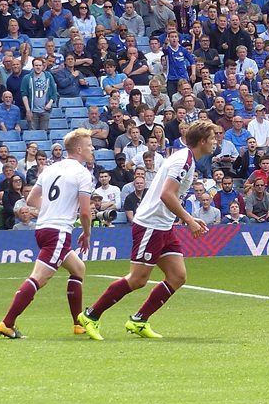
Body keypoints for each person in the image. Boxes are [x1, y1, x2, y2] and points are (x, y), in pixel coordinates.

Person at [77, 119, 216, 340]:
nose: (215, 142)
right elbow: (166, 194)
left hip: (163, 225)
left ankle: (139, 320)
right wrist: (189, 220)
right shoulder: (183, 162)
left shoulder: (186, 159)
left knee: (177, 276)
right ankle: (91, 315)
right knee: (138, 279)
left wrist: (187, 218)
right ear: (202, 141)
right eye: (212, 138)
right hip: (151, 224)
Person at [0, 127, 96, 339]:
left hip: (43, 229)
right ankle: (7, 323)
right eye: (89, 145)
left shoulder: (50, 169)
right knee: (38, 278)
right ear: (78, 149)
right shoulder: (82, 173)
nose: (92, 148)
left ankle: (78, 323)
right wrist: (86, 234)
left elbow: (32, 199)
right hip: (58, 232)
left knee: (78, 268)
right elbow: (86, 212)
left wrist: (51, 210)